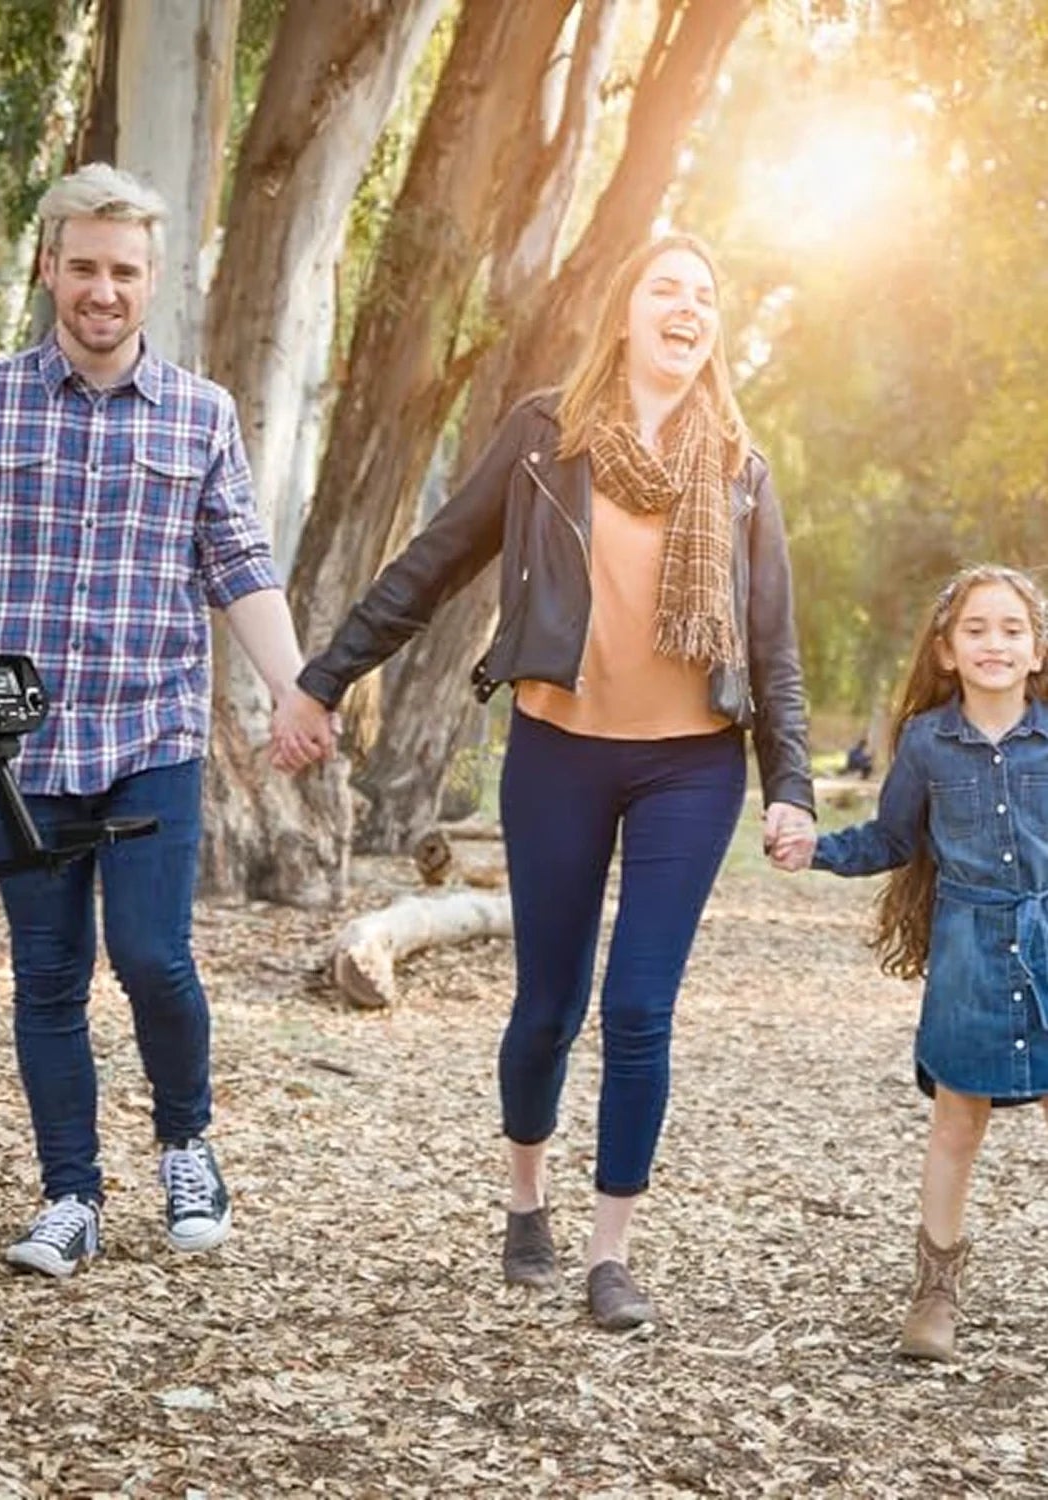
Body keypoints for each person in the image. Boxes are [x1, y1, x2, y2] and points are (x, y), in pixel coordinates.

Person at [275, 234, 817, 1329]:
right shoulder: (545, 435)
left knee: (639, 1005)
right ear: (626, 311)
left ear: (713, 330)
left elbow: (774, 648)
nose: (685, 307)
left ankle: (612, 1252)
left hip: (691, 766)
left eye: (704, 296)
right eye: (664, 287)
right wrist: (322, 680)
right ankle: (527, 1199)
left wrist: (792, 783)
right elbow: (433, 561)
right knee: (548, 1006)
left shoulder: (740, 472)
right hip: (559, 750)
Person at [0, 162, 330, 1278]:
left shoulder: (202, 415)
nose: (102, 289)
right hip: (17, 749)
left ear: (151, 281)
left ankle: (186, 1147)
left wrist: (293, 686)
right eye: (83, 268)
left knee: (153, 958)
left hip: (153, 733)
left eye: (123, 270)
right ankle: (70, 1193)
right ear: (48, 270)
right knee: (47, 977)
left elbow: (241, 566)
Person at [770, 564, 1048, 1362]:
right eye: (976, 629)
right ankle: (936, 1290)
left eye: (1012, 629)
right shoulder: (928, 744)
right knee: (958, 1124)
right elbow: (892, 840)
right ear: (946, 651)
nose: (995, 642)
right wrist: (813, 850)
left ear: (1037, 651)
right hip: (969, 958)